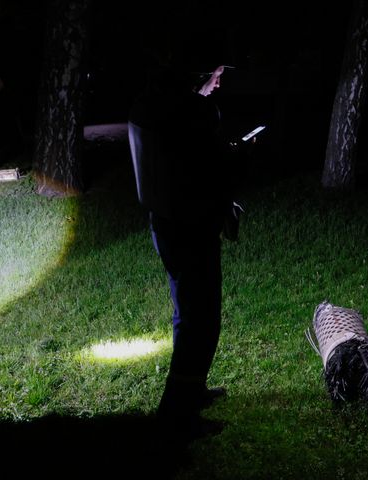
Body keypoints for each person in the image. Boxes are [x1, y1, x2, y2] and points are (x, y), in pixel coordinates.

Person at [128, 63, 247, 443]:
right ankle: (178, 416)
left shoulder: (149, 106)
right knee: (202, 321)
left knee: (187, 314)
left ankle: (191, 391)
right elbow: (208, 169)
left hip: (166, 223)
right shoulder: (191, 114)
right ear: (194, 75)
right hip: (191, 227)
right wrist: (238, 154)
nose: (218, 81)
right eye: (214, 74)